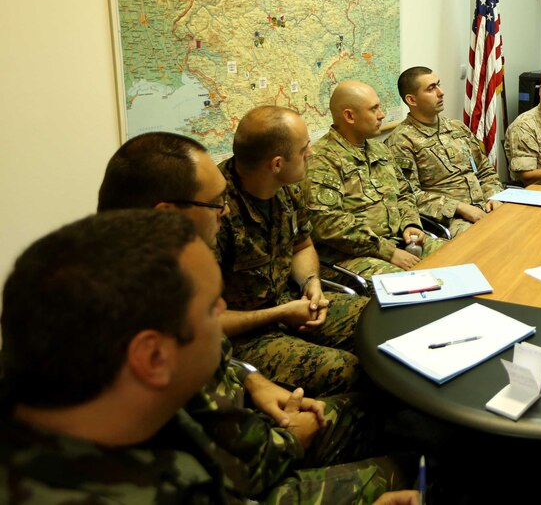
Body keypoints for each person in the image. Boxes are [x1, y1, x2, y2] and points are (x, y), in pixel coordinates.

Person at [0, 210, 418, 505]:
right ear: (154, 357)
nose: (223, 314)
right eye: (210, 307)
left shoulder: (110, 404)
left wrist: (253, 383)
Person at [97, 132, 383, 494]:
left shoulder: (120, 268)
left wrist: (251, 381)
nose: (227, 209)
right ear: (167, 216)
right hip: (234, 478)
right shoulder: (158, 314)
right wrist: (295, 434)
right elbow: (245, 467)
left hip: (242, 433)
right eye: (216, 203)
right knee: (405, 446)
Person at [217, 105, 367, 395]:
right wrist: (280, 313)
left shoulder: (289, 186)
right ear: (276, 164)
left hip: (292, 304)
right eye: (304, 149)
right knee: (350, 369)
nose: (311, 153)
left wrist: (311, 283)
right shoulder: (215, 211)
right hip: (244, 338)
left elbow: (302, 246)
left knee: (380, 322)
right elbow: (203, 324)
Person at [305, 81, 444, 277]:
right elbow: (329, 224)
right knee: (412, 284)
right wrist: (389, 252)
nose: (382, 115)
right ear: (349, 116)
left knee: (457, 256)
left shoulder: (378, 148)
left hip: (399, 240)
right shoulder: (322, 160)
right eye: (374, 109)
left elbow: (404, 193)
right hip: (351, 256)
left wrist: (411, 225)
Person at [385, 66, 504, 238]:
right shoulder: (401, 141)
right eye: (431, 89)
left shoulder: (457, 127)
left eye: (438, 85)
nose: (441, 92)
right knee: (491, 241)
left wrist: (494, 197)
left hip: (486, 205)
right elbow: (409, 196)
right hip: (451, 220)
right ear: (412, 100)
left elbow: (485, 171)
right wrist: (458, 207)